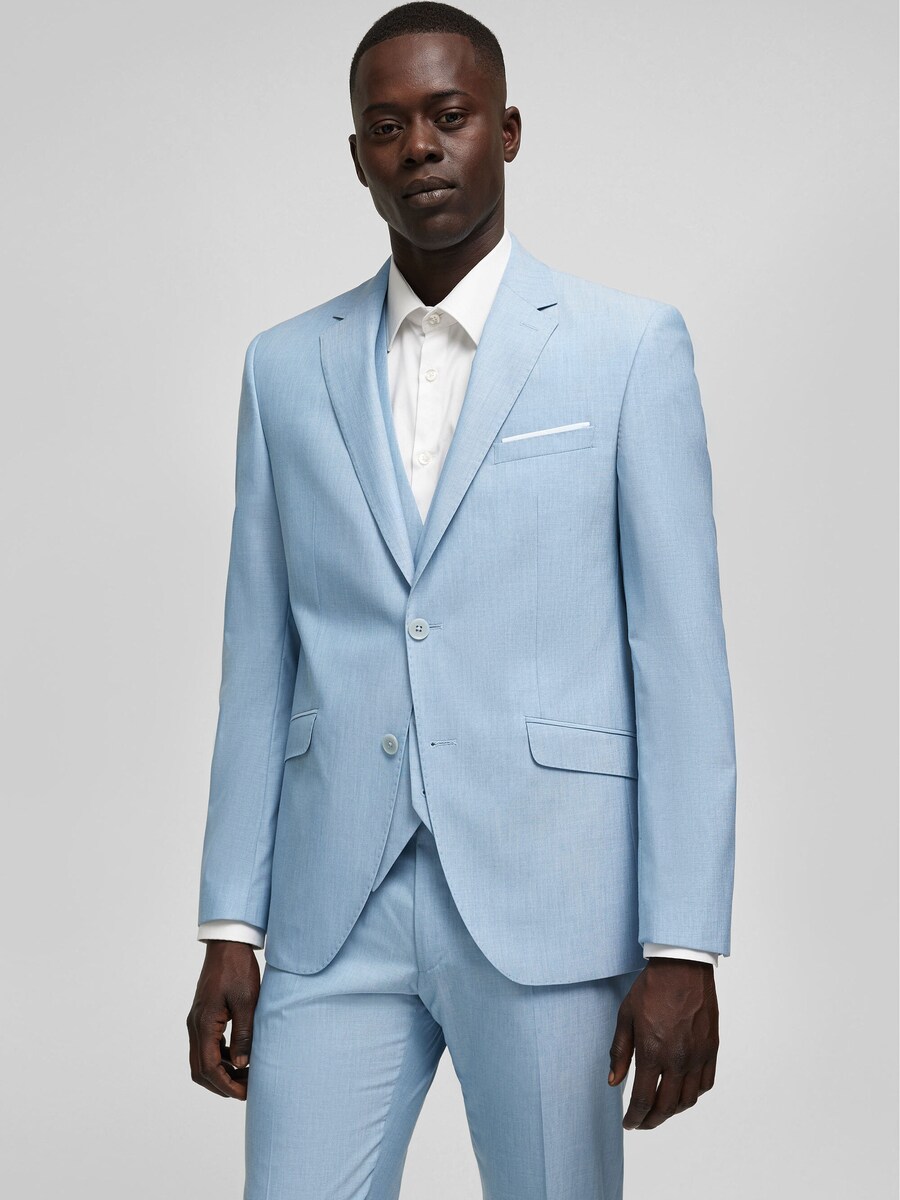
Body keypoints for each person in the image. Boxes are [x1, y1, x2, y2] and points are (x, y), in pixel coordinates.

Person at [186, 4, 737, 1196]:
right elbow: (258, 655)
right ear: (357, 155)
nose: (421, 147)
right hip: (333, 906)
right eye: (387, 127)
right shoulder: (284, 368)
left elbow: (681, 661)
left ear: (508, 130)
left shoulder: (627, 349)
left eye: (450, 116)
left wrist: (682, 942)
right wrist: (230, 922)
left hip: (551, 904)